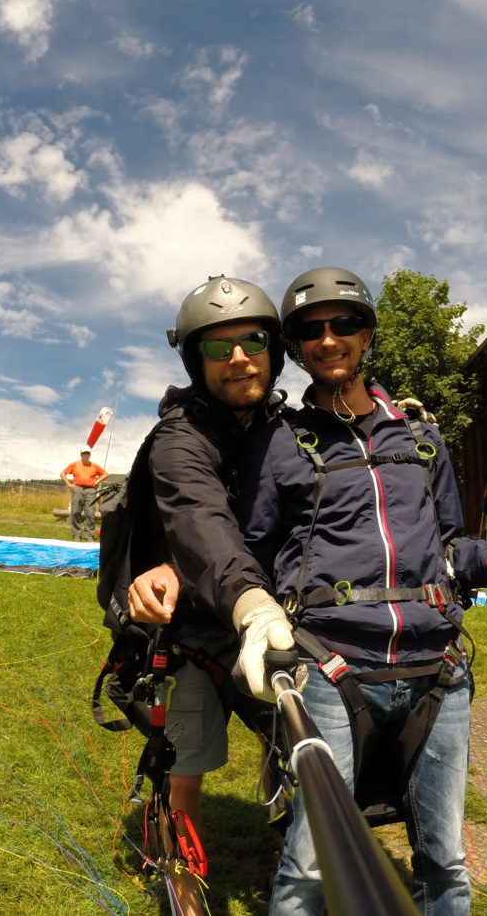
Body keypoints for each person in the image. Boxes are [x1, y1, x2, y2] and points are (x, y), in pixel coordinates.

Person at [234, 266, 487, 916]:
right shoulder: (281, 444)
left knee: (446, 861)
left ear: (366, 335)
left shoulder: (421, 439)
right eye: (311, 330)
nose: (329, 338)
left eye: (344, 323)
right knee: (313, 863)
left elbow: (451, 544)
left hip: (437, 670)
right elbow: (252, 553)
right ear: (297, 347)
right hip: (331, 663)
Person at [124, 274, 286, 835]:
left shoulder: (288, 430)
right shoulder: (179, 438)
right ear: (198, 362)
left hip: (274, 616)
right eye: (219, 348)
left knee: (291, 738)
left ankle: (284, 838)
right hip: (193, 626)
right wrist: (249, 603)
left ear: (276, 350)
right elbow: (200, 521)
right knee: (184, 766)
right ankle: (184, 884)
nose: (239, 359)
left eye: (254, 343)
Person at [62, 449, 109, 540]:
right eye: (84, 453)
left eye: (87, 453)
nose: (86, 455)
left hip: (91, 490)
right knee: (75, 511)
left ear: (90, 455)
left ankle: (89, 535)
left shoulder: (94, 465)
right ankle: (76, 534)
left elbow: (105, 474)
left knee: (90, 513)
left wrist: (97, 481)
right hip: (78, 489)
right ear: (81, 454)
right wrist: (69, 484)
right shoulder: (75, 464)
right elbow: (62, 473)